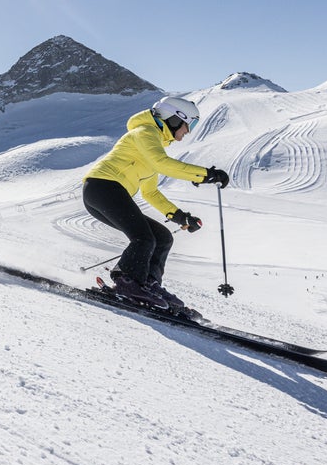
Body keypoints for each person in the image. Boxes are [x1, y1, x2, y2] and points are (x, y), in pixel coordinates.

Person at [82, 96, 229, 311]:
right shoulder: (144, 133)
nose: (188, 131)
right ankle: (127, 282)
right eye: (190, 124)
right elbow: (163, 164)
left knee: (162, 237)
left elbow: (150, 192)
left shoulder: (153, 143)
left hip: (108, 193)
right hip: (102, 187)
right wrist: (205, 175)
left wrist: (180, 217)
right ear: (175, 118)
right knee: (143, 238)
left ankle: (148, 284)